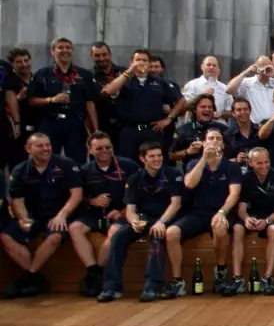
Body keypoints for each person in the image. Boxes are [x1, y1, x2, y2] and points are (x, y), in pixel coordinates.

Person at [97, 141, 183, 303]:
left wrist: (162, 222)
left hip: (163, 219)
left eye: (159, 156)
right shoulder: (135, 178)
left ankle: (152, 287)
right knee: (118, 236)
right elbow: (130, 208)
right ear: (142, 159)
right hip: (142, 218)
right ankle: (111, 287)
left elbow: (176, 203)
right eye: (152, 156)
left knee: (157, 237)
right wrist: (134, 221)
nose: (157, 159)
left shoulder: (173, 174)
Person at [1, 133, 83, 298]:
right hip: (34, 215)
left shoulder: (66, 164)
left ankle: (28, 278)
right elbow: (17, 199)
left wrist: (61, 216)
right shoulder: (20, 169)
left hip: (60, 214)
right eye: (40, 146)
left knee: (54, 237)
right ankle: (34, 277)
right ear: (28, 149)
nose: (46, 149)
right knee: (5, 236)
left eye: (48, 145)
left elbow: (77, 195)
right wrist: (23, 218)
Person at [164, 128, 241, 297]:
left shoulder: (231, 167)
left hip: (221, 211)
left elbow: (234, 194)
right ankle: (177, 280)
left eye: (218, 138)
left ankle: (220, 270)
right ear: (204, 143)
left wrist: (222, 212)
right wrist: (204, 159)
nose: (214, 141)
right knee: (171, 233)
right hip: (197, 213)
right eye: (211, 138)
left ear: (222, 144)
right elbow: (189, 184)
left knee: (220, 229)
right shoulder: (193, 164)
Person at [68, 132, 140, 296]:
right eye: (99, 148)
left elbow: (140, 193)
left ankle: (98, 273)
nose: (104, 151)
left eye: (108, 147)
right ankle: (94, 271)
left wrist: (122, 211)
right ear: (90, 151)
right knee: (74, 228)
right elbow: (78, 197)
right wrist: (92, 201)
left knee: (114, 232)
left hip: (122, 213)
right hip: (94, 214)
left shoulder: (128, 166)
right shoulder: (84, 170)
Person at [26, 37, 99, 164]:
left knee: (77, 161)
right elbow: (32, 100)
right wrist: (51, 100)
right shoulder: (43, 73)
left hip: (75, 123)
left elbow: (90, 102)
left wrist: (95, 129)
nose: (65, 50)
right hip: (50, 122)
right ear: (52, 51)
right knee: (46, 159)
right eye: (61, 47)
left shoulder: (84, 74)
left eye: (68, 48)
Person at [227, 147, 274, 295]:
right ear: (251, 163)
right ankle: (237, 278)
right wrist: (246, 219)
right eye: (259, 163)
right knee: (237, 228)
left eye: (266, 162)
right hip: (253, 214)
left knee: (273, 230)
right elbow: (241, 208)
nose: (264, 166)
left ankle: (268, 278)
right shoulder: (246, 178)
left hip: (271, 215)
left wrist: (267, 221)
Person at [101, 50, 182, 161]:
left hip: (152, 130)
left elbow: (181, 101)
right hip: (130, 130)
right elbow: (109, 91)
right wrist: (129, 71)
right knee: (128, 163)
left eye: (144, 60)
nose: (141, 62)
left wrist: (169, 119)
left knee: (154, 161)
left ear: (149, 63)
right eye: (138, 60)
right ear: (131, 62)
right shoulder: (125, 80)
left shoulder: (159, 82)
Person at [226, 55, 274, 124]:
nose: (264, 70)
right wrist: (245, 73)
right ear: (256, 67)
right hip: (254, 126)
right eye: (261, 67)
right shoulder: (247, 82)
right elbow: (228, 90)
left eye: (267, 67)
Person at [169, 94, 227, 169]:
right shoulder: (183, 130)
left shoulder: (224, 129)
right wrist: (188, 151)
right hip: (191, 172)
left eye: (210, 107)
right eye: (203, 107)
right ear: (194, 110)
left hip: (218, 172)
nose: (207, 109)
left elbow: (232, 154)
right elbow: (171, 155)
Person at [2, 48, 35, 168]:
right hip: (17, 128)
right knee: (17, 164)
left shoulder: (37, 78)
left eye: (26, 60)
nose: (24, 64)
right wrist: (19, 97)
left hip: (38, 126)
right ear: (12, 65)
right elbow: (6, 104)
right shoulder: (9, 81)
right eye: (19, 62)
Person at [89, 42, 126, 146]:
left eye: (104, 54)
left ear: (110, 54)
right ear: (91, 56)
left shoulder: (124, 72)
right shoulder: (88, 76)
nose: (101, 58)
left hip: (125, 126)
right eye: (97, 55)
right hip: (101, 125)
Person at [225, 98, 262, 172]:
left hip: (260, 172)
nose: (243, 112)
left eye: (245, 109)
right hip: (237, 174)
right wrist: (236, 159)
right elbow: (223, 160)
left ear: (250, 111)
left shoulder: (261, 131)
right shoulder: (227, 135)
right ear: (233, 113)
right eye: (239, 110)